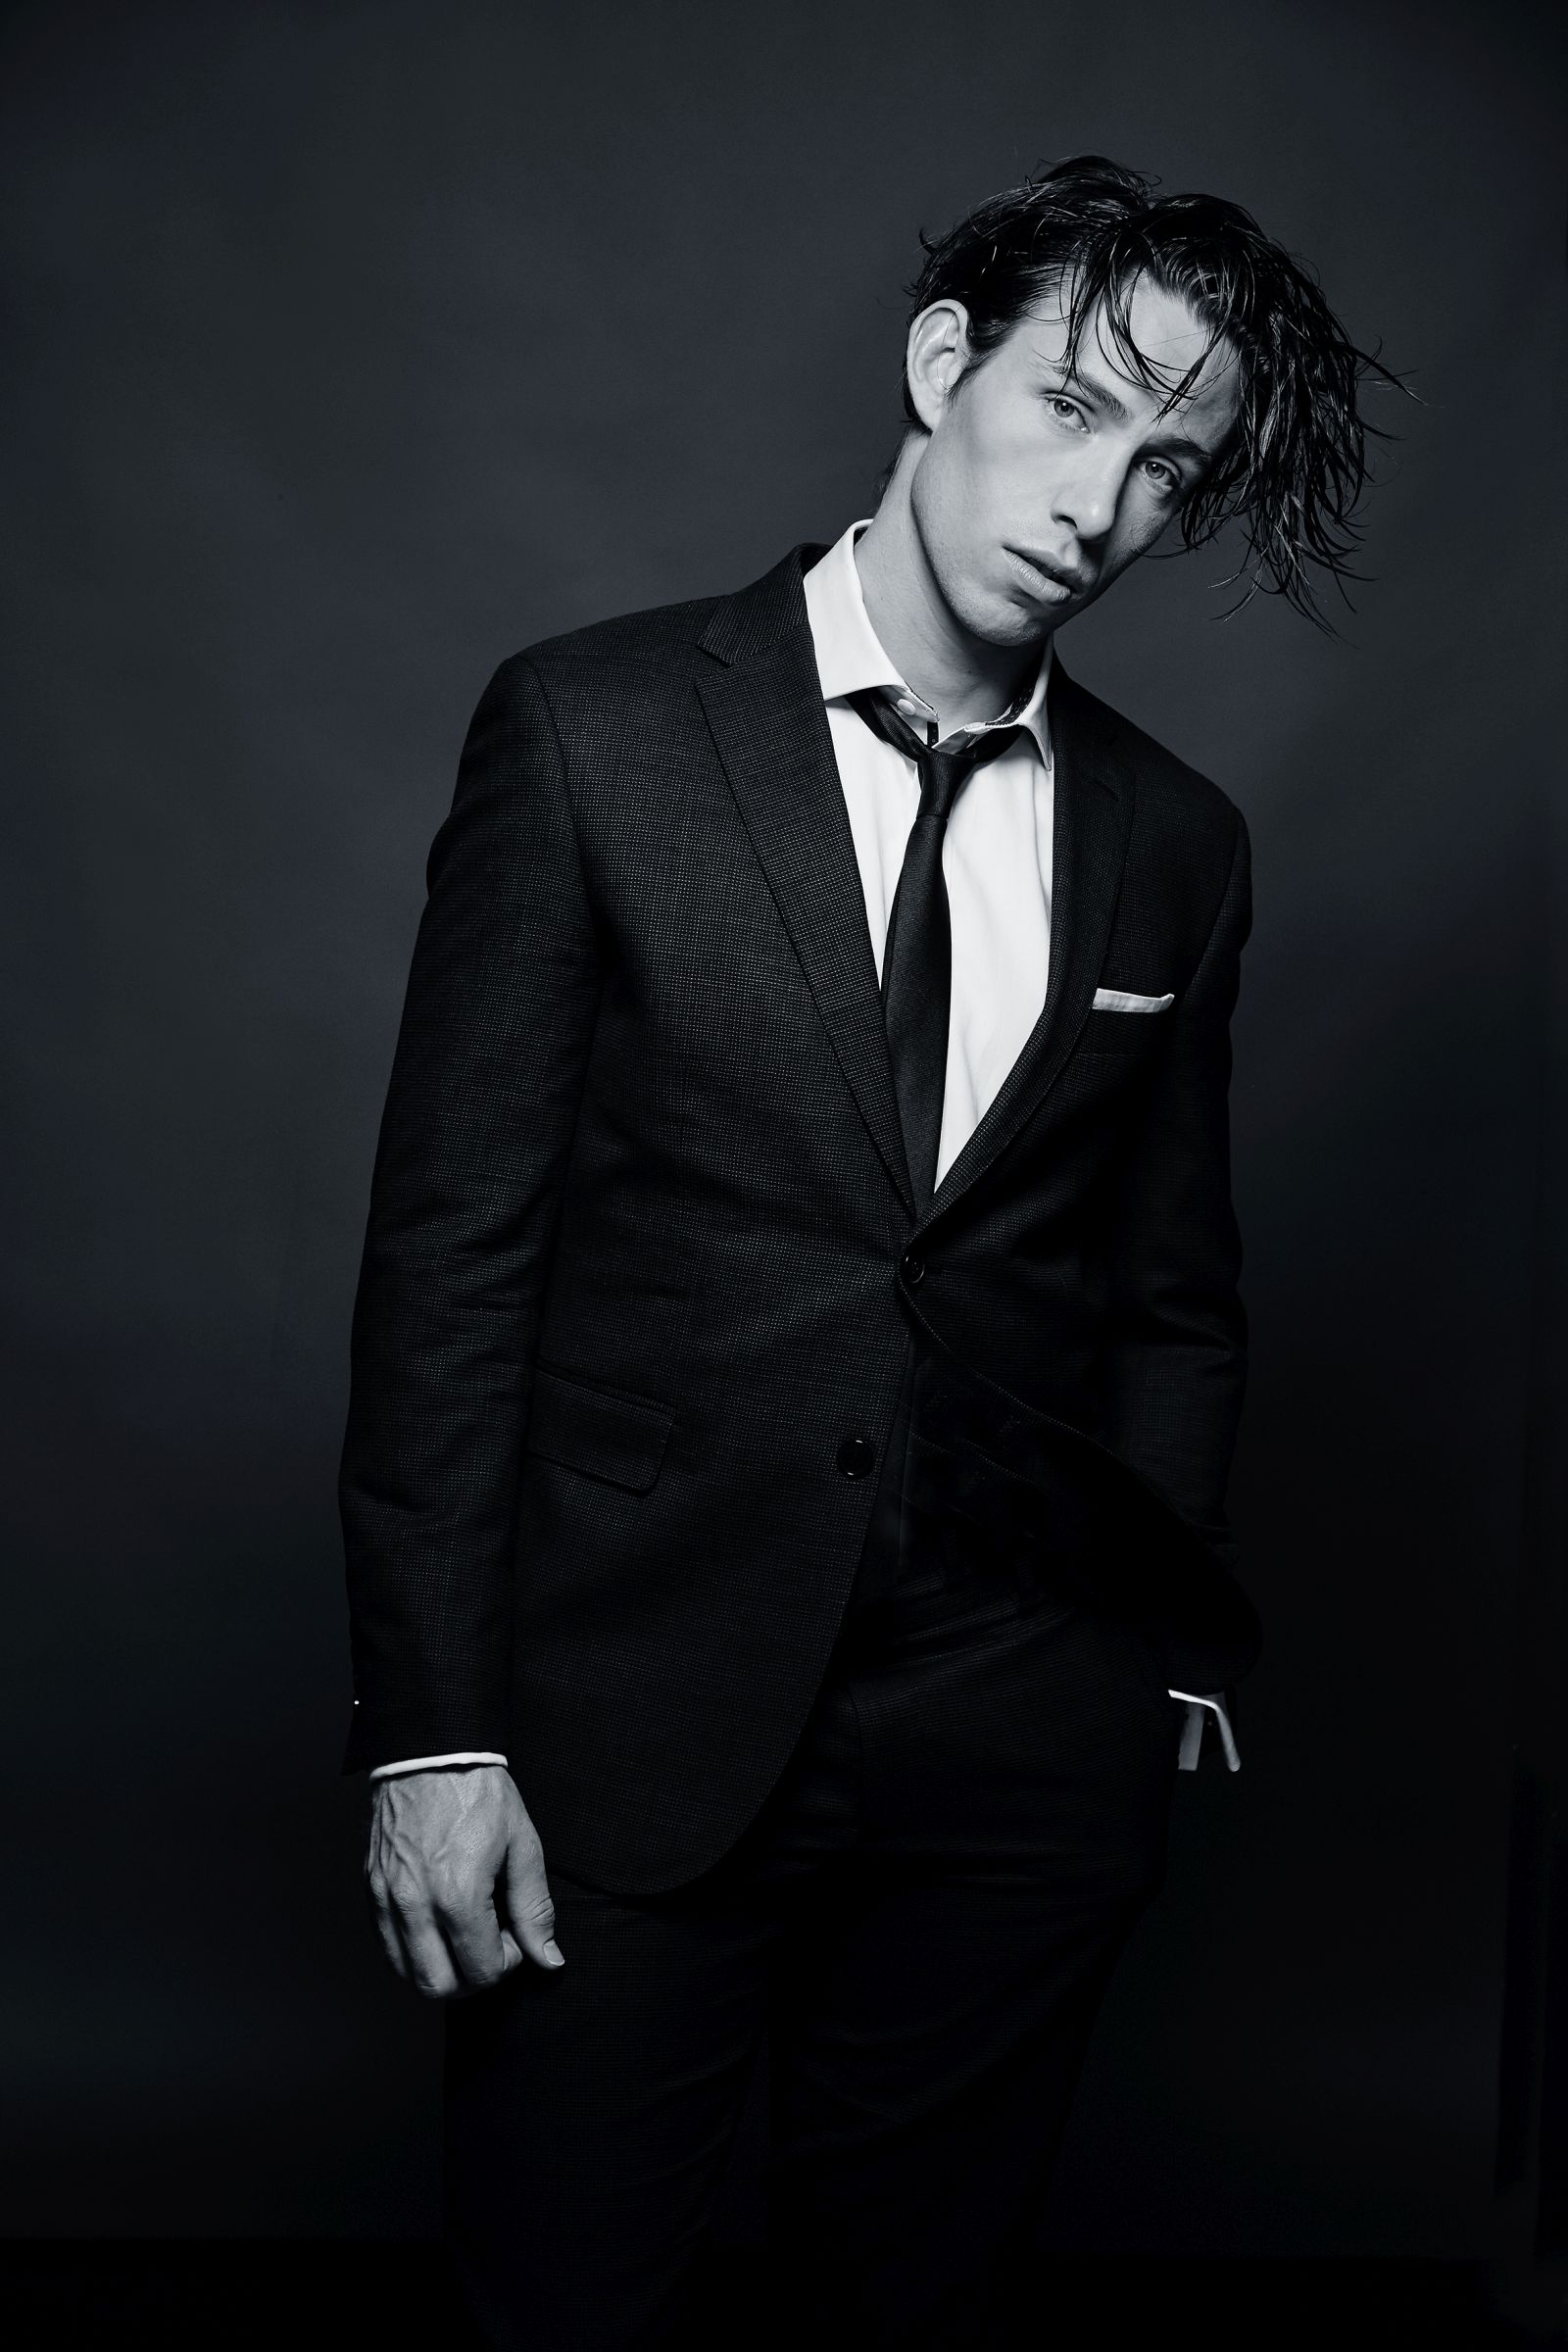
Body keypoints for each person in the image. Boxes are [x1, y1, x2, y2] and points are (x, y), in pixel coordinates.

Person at [340, 155, 1391, 2349]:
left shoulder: (1171, 843)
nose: (1101, 504)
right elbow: (452, 1257)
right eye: (1077, 410)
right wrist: (432, 1737)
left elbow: (1168, 1283)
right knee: (561, 2307)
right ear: (943, 366)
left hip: (1014, 1739)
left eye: (1170, 470)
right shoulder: (594, 731)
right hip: (628, 1719)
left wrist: (1160, 1657)